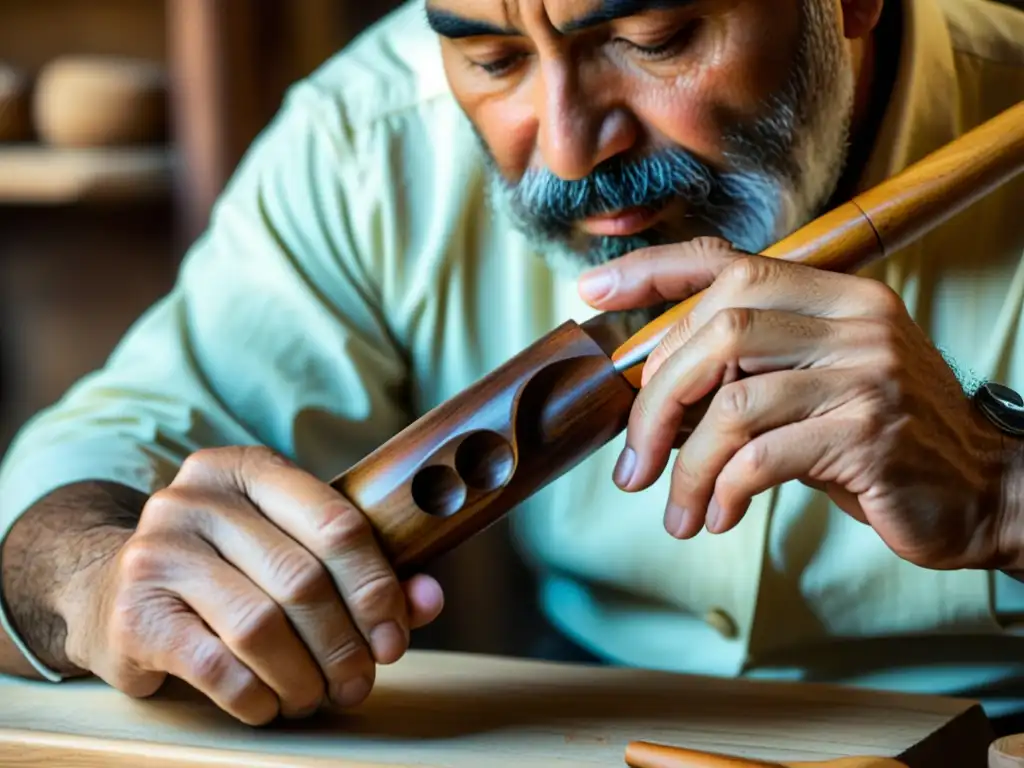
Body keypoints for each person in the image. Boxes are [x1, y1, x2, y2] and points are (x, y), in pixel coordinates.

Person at [2, 0, 1024, 732]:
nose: (570, 149)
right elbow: (98, 453)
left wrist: (1001, 494)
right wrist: (96, 577)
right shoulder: (371, 140)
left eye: (651, 38)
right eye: (492, 58)